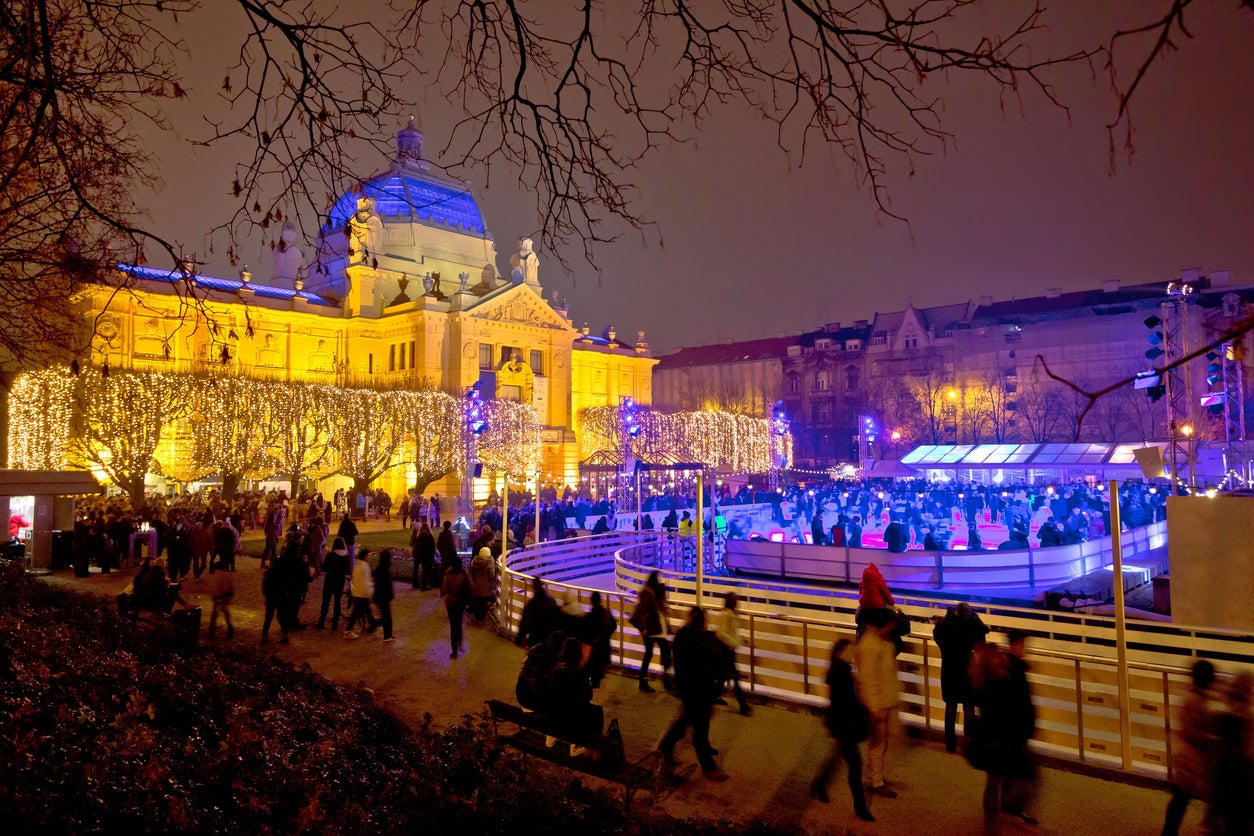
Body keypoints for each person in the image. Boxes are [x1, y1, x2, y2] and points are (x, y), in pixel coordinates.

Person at [976, 630, 1038, 833]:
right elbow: (1005, 707)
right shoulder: (1001, 678)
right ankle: (996, 820)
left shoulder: (1006, 673)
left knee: (1003, 779)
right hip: (1004, 736)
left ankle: (1003, 815)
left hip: (1008, 735)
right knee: (1004, 780)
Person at [810, 638, 874, 822]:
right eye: (849, 651)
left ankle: (819, 784)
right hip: (843, 725)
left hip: (841, 724)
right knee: (855, 766)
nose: (852, 654)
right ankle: (860, 808)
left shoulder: (842, 671)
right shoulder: (841, 676)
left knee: (838, 758)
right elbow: (840, 704)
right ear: (840, 653)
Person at [658, 606, 724, 778]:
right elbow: (714, 662)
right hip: (699, 690)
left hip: (688, 688)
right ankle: (708, 767)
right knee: (699, 729)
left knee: (687, 720)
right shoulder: (703, 640)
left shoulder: (682, 637)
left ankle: (666, 746)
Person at [1161, 658, 1221, 836]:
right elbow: (1194, 732)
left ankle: (1170, 831)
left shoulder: (1191, 695)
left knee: (1180, 799)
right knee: (1184, 798)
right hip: (1193, 758)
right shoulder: (1195, 700)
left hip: (1187, 758)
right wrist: (1212, 739)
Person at [855, 608, 900, 799]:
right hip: (879, 704)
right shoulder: (870, 645)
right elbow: (867, 678)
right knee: (877, 745)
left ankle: (876, 775)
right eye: (890, 626)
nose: (891, 629)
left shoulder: (884, 642)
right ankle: (875, 781)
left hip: (887, 700)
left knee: (883, 743)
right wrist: (873, 707)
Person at [933, 602, 989, 753]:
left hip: (949, 672)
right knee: (969, 708)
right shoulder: (971, 627)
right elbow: (982, 637)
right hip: (967, 672)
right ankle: (968, 743)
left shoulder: (947, 628)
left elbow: (937, 634)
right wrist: (975, 618)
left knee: (950, 707)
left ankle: (950, 744)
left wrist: (941, 622)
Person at [549, 636, 604, 753]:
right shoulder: (581, 673)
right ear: (578, 654)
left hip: (556, 717)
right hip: (574, 719)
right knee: (597, 712)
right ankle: (587, 747)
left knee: (586, 711)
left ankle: (552, 737)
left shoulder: (557, 672)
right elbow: (588, 696)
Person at [630, 570, 672, 692]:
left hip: (653, 628)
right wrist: (642, 628)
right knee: (662, 650)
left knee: (655, 652)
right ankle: (664, 679)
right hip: (652, 628)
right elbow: (642, 610)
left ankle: (646, 680)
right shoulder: (647, 592)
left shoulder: (651, 591)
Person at [714, 591, 750, 715]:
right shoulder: (726, 615)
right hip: (726, 651)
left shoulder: (731, 615)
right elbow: (721, 633)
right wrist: (733, 642)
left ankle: (715, 696)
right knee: (735, 678)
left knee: (723, 676)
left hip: (729, 650)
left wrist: (739, 640)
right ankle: (743, 705)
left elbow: (731, 632)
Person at [581, 590, 617, 688]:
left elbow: (585, 634)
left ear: (591, 601)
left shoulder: (589, 617)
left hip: (593, 651)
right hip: (604, 649)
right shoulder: (607, 614)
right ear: (600, 600)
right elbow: (613, 626)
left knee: (591, 676)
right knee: (598, 675)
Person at [515, 577, 561, 650]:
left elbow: (525, 620)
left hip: (535, 636)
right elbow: (557, 617)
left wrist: (520, 636)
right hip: (547, 635)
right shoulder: (551, 600)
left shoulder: (533, 603)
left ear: (533, 586)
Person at [317, 537, 350, 630]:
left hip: (330, 580)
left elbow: (324, 568)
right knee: (337, 601)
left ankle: (321, 620)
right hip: (339, 581)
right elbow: (347, 570)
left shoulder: (331, 555)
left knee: (326, 601)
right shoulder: (346, 557)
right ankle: (335, 623)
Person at [441, 555, 469, 658]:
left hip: (451, 603)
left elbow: (444, 590)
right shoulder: (464, 573)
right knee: (459, 622)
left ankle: (454, 650)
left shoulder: (448, 575)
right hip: (461, 602)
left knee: (453, 626)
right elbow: (469, 585)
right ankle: (460, 641)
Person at [856, 562, 894, 635]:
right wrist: (892, 603)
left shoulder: (863, 581)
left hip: (864, 608)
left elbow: (861, 594)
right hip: (878, 608)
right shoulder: (879, 580)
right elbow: (886, 594)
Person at [345, 548, 375, 638]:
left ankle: (373, 624)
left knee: (365, 610)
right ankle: (348, 630)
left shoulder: (357, 565)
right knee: (356, 613)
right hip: (363, 592)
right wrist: (369, 593)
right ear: (365, 556)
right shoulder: (364, 566)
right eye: (368, 556)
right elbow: (366, 581)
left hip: (358, 592)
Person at [468, 546, 496, 624]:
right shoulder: (489, 563)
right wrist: (493, 586)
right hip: (485, 587)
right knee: (483, 604)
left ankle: (477, 618)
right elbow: (491, 576)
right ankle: (481, 620)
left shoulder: (474, 562)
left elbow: (471, 574)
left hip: (475, 586)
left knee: (477, 602)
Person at [373, 548, 396, 641]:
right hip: (383, 597)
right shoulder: (384, 571)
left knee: (386, 616)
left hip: (380, 596)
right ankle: (387, 635)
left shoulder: (380, 569)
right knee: (387, 617)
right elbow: (386, 586)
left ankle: (388, 633)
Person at [207, 566, 234, 639]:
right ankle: (230, 629)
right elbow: (231, 587)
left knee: (214, 616)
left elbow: (215, 588)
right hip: (226, 597)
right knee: (226, 613)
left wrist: (214, 597)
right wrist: (230, 596)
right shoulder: (228, 575)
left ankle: (211, 632)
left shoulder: (216, 576)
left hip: (218, 598)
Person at [411, 522, 437, 590]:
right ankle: (424, 585)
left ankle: (415, 584)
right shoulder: (429, 536)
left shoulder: (419, 535)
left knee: (416, 570)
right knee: (425, 570)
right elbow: (432, 547)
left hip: (418, 555)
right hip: (426, 555)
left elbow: (416, 545)